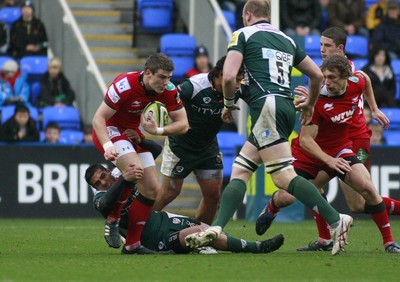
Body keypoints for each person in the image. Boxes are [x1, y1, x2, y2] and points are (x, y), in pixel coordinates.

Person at [185, 0, 353, 256]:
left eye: (244, 18)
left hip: (266, 107)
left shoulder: (242, 34)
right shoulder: (286, 39)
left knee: (283, 176)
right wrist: (310, 103)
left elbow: (229, 76)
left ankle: (335, 219)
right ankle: (216, 229)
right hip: (284, 107)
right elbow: (317, 76)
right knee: (241, 170)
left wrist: (228, 104)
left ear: (248, 15)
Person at [257, 26, 395, 252]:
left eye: (327, 46)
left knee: (361, 199)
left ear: (340, 50)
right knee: (292, 196)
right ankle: (317, 235)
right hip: (318, 147)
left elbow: (364, 80)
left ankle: (388, 242)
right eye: (320, 45)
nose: (321, 50)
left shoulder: (351, 77)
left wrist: (375, 108)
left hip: (353, 139)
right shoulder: (318, 95)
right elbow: (307, 136)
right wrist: (308, 101)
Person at [91, 53, 189, 254]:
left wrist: (158, 131)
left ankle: (132, 245)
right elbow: (98, 119)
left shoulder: (168, 90)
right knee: (135, 170)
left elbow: (183, 124)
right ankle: (113, 219)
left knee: (152, 189)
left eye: (169, 77)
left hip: (132, 134)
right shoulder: (124, 85)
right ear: (147, 73)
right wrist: (108, 146)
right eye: (162, 77)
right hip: (110, 130)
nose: (166, 82)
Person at [85, 163, 285, 255]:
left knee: (210, 229)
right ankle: (256, 248)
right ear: (95, 188)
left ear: (107, 170)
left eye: (104, 175)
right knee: (203, 233)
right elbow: (105, 204)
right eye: (98, 182)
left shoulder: (122, 176)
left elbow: (153, 149)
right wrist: (123, 180)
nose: (104, 181)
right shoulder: (102, 198)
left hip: (166, 220)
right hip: (155, 241)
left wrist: (137, 139)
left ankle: (208, 245)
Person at [153, 56, 243, 224]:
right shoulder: (193, 86)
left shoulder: (237, 89)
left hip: (208, 148)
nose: (237, 84)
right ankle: (134, 228)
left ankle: (199, 238)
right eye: (235, 79)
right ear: (221, 74)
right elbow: (167, 100)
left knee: (213, 195)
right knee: (169, 193)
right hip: (180, 147)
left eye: (240, 80)